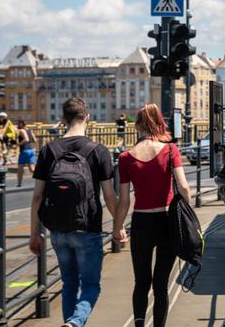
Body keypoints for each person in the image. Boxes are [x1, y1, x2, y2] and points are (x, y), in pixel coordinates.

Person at [29, 97, 117, 327]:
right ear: (87, 117)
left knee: (69, 284)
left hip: (57, 229)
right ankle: (75, 323)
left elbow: (37, 196)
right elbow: (109, 196)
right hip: (88, 228)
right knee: (90, 285)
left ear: (62, 120)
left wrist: (34, 234)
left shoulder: (48, 150)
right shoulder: (98, 151)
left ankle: (70, 322)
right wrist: (118, 228)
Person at [113, 103, 191, 327]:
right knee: (161, 283)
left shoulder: (126, 157)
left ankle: (139, 324)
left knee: (141, 282)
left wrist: (118, 227)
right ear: (160, 124)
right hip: (166, 221)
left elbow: (125, 200)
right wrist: (191, 219)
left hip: (141, 222)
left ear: (137, 126)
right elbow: (184, 187)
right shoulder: (170, 150)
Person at [16, 120, 37, 187]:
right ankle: (43, 180)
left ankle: (19, 184)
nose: (17, 125)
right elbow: (35, 140)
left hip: (24, 151)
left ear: (21, 124)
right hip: (31, 150)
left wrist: (18, 144)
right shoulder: (30, 130)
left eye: (18, 123)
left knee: (20, 168)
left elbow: (26, 139)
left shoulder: (22, 130)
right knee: (32, 169)